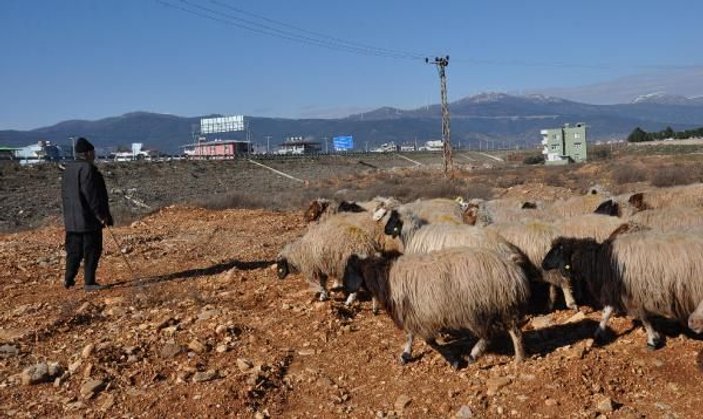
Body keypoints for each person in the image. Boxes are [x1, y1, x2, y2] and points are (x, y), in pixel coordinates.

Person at [61, 137, 113, 291]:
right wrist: (101, 215)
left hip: (71, 220)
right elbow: (92, 195)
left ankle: (68, 279)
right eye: (93, 152)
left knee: (74, 251)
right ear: (89, 153)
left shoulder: (68, 169)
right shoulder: (88, 169)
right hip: (88, 220)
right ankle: (89, 282)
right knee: (92, 251)